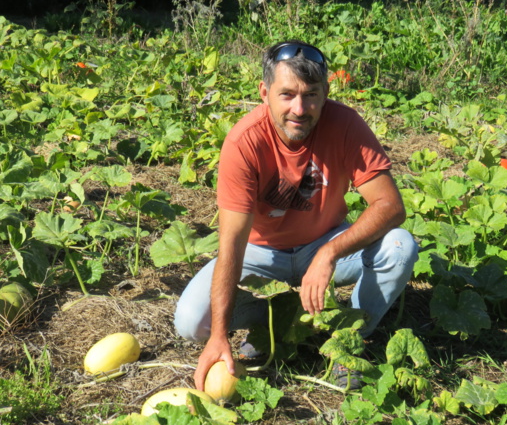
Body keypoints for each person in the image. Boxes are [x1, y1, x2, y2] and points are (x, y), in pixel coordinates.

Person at [174, 40, 419, 391]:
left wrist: (329, 252)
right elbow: (231, 245)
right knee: (190, 323)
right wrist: (218, 335)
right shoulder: (244, 142)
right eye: (287, 95)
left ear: (326, 93)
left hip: (324, 240)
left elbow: (390, 205)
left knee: (399, 246)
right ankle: (280, 321)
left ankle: (348, 339)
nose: (299, 109)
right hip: (260, 252)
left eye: (311, 95)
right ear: (265, 93)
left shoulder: (345, 124)